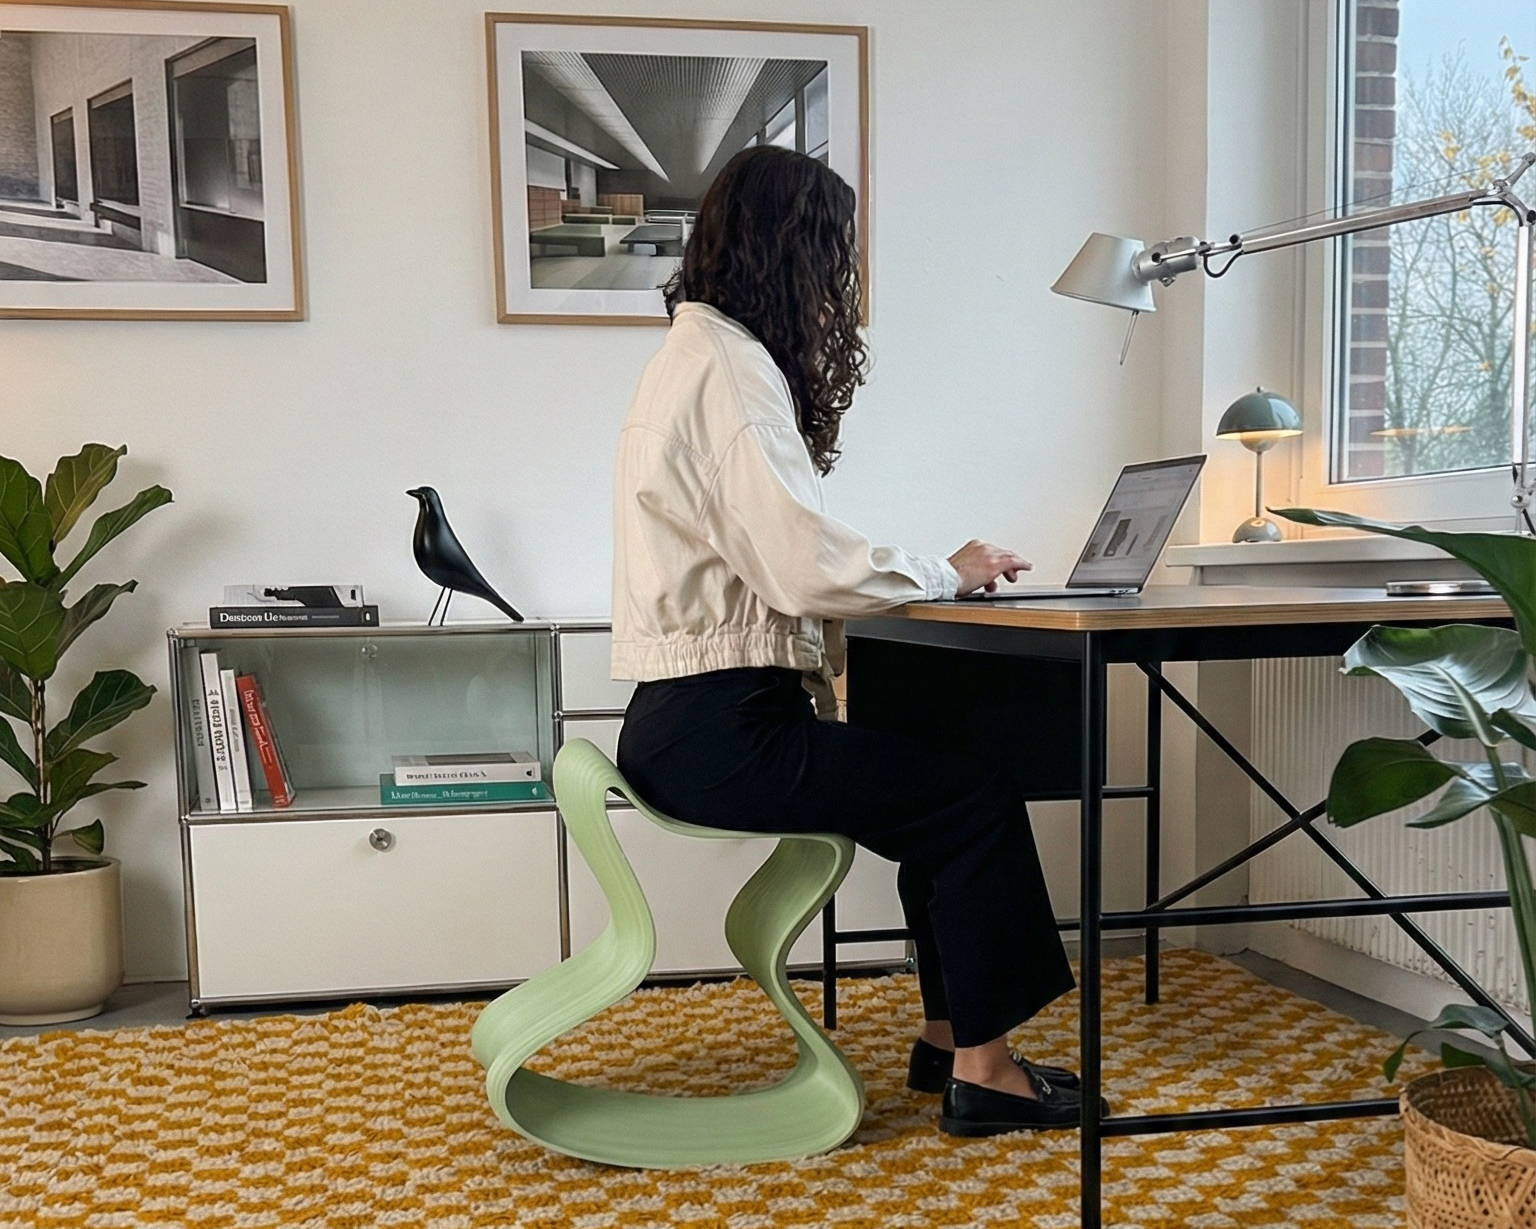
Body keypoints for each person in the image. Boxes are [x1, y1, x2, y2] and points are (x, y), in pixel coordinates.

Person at [611, 144, 1094, 1137]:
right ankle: (986, 1073)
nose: (843, 285)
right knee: (972, 796)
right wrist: (945, 570)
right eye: (836, 256)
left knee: (943, 788)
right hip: (724, 728)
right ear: (795, 252)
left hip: (688, 721)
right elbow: (798, 559)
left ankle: (950, 1035)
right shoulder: (730, 369)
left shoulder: (693, 353)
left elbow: (774, 547)